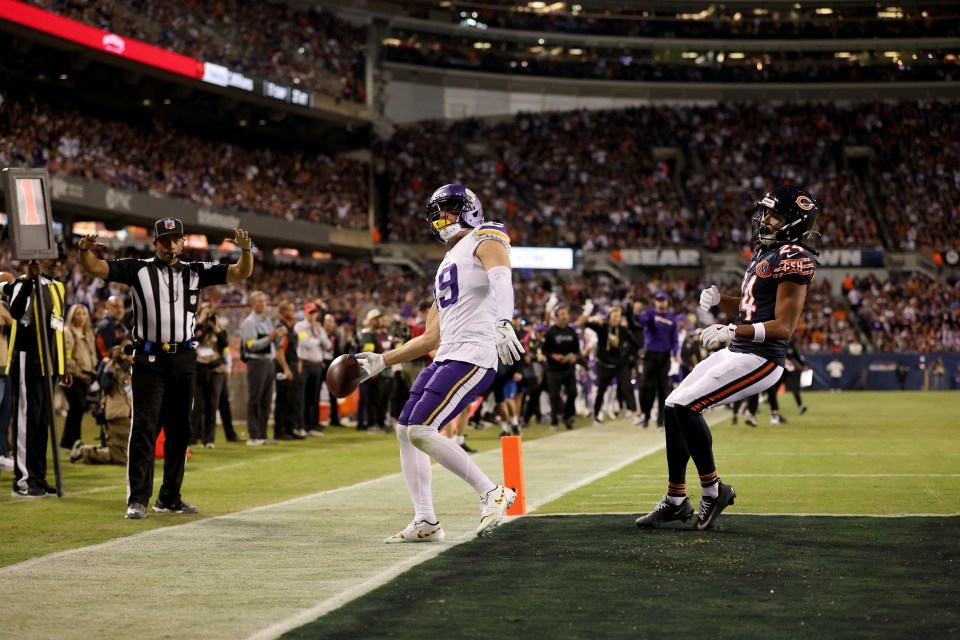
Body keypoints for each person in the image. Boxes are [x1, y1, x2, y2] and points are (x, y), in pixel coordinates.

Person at [636, 184, 820, 531]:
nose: (765, 219)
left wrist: (732, 330)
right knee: (673, 405)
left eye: (774, 215)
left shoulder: (796, 258)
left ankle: (713, 490)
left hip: (762, 358)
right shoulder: (766, 252)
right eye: (765, 212)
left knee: (689, 406)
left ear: (795, 222)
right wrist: (723, 300)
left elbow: (784, 326)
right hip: (740, 350)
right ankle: (676, 500)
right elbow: (752, 307)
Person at [354, 183, 522, 542]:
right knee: (405, 431)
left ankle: (492, 491)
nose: (440, 218)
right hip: (447, 355)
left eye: (447, 209)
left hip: (473, 354)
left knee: (422, 430)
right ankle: (426, 521)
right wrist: (382, 361)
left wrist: (504, 320)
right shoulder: (447, 263)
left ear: (468, 209)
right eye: (436, 212)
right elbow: (431, 337)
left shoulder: (485, 234)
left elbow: (501, 276)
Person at [77, 218, 254, 519]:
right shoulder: (137, 269)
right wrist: (83, 250)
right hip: (150, 359)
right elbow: (96, 268)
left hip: (184, 358)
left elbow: (240, 272)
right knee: (145, 427)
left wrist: (246, 250)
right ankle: (138, 499)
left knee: (181, 429)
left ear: (184, 242)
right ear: (156, 243)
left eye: (176, 239)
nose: (171, 244)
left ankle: (170, 497)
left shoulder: (196, 271)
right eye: (165, 239)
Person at [4, 248, 70, 498]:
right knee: (26, 420)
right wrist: (30, 280)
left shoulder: (60, 288)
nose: (57, 262)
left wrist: (63, 364)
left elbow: (59, 327)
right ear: (38, 259)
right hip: (27, 359)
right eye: (51, 257)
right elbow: (15, 312)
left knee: (43, 422)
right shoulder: (23, 283)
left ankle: (38, 477)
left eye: (60, 259)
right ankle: (22, 479)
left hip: (50, 364)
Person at [576, 302, 641, 426]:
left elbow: (636, 344)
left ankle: (635, 414)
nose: (617, 318)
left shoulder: (623, 330)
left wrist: (625, 355)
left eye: (619, 316)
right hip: (604, 365)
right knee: (601, 391)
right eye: (614, 316)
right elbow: (583, 323)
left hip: (620, 365)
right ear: (609, 316)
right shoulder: (602, 327)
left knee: (628, 388)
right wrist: (592, 318)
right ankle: (596, 415)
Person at [70, 337, 133, 465]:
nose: (127, 351)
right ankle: (84, 451)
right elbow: (104, 384)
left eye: (130, 348)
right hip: (117, 413)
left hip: (132, 413)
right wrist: (113, 361)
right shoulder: (107, 364)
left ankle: (96, 449)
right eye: (124, 347)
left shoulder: (134, 365)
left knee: (134, 455)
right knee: (124, 459)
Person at [241, 291, 285, 446]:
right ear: (252, 304)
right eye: (259, 301)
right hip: (256, 363)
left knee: (266, 400)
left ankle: (263, 434)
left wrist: (279, 336)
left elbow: (275, 344)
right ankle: (253, 435)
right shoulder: (249, 322)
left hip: (269, 362)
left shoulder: (267, 321)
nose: (262, 303)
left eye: (264, 301)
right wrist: (270, 338)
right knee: (255, 399)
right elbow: (251, 346)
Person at [634, 292, 680, 430]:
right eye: (658, 300)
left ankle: (660, 420)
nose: (661, 303)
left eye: (663, 300)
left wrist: (676, 353)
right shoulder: (650, 314)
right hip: (650, 355)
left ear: (667, 302)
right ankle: (646, 416)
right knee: (646, 387)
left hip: (664, 357)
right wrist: (636, 312)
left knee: (663, 389)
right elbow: (640, 320)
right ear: (655, 302)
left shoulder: (672, 318)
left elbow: (675, 339)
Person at [191, 303, 230, 448]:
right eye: (205, 313)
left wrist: (216, 328)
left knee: (212, 405)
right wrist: (200, 322)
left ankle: (209, 439)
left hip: (216, 369)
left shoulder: (219, 330)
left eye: (210, 314)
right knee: (197, 405)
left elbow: (225, 344)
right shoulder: (195, 328)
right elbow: (191, 340)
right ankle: (194, 436)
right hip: (199, 368)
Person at [61, 303, 98, 450]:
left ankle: (72, 440)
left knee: (78, 408)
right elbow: (67, 357)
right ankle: (71, 441)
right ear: (72, 316)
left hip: (87, 374)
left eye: (84, 314)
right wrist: (78, 372)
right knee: (78, 406)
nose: (82, 317)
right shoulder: (68, 332)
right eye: (78, 314)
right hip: (73, 375)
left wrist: (92, 370)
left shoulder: (88, 333)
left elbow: (92, 354)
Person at [541, 304, 580, 430]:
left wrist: (574, 357)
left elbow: (577, 350)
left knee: (573, 393)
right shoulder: (551, 332)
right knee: (554, 396)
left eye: (566, 314)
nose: (565, 316)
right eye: (562, 314)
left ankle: (567, 416)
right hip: (554, 369)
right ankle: (554, 422)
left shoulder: (571, 331)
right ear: (557, 316)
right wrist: (553, 356)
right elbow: (544, 350)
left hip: (568, 368)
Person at [273, 300, 304, 440]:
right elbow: (278, 351)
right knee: (283, 398)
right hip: (283, 366)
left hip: (292, 364)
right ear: (283, 313)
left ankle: (290, 429)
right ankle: (279, 431)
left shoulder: (291, 328)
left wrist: (296, 364)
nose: (293, 312)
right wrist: (286, 368)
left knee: (293, 398)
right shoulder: (281, 328)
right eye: (290, 310)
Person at [296, 302, 329, 436]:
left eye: (314, 313)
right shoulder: (300, 326)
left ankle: (313, 425)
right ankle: (302, 425)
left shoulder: (319, 328)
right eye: (310, 313)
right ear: (305, 313)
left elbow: (327, 345)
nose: (312, 315)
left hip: (317, 365)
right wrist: (317, 339)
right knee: (303, 396)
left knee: (314, 397)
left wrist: (319, 333)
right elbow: (306, 343)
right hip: (305, 363)